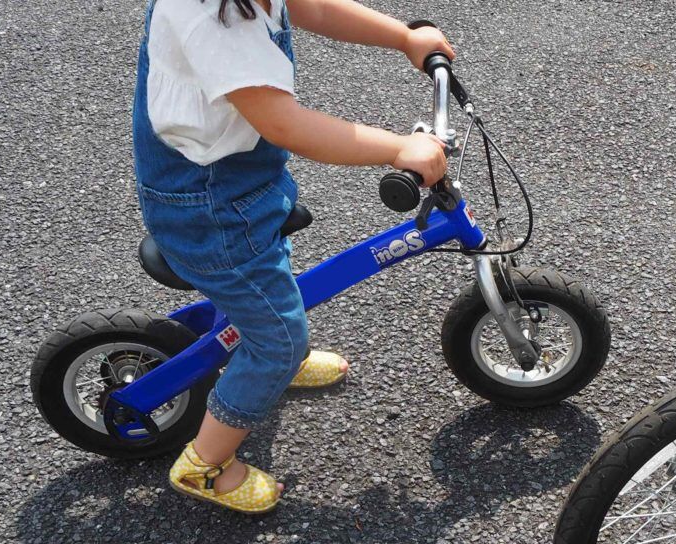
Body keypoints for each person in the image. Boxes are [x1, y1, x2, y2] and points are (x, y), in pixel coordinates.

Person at [134, 0, 450, 513]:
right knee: (279, 338)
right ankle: (205, 465)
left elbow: (314, 7)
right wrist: (397, 149)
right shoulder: (214, 19)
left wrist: (404, 37)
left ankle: (268, 352)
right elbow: (285, 123)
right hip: (210, 208)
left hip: (241, 183)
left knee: (269, 276)